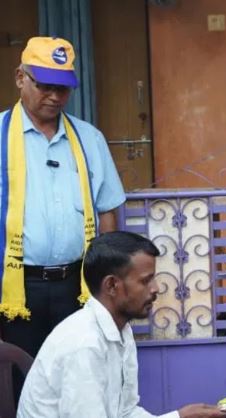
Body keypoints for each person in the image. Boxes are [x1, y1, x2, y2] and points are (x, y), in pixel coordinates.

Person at [0, 37, 126, 360]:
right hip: (15, 287)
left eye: (63, 89)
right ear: (20, 78)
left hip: (77, 286)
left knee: (78, 373)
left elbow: (107, 212)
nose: (55, 97)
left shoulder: (89, 139)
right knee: (20, 377)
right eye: (45, 86)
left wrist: (106, 281)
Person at [17, 231, 226, 418]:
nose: (156, 288)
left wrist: (179, 417)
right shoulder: (83, 343)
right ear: (112, 285)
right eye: (145, 281)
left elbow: (126, 412)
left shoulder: (121, 330)